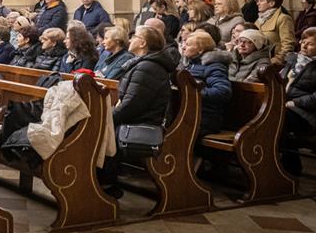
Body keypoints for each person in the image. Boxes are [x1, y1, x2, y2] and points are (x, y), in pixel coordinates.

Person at [99, 26, 175, 197]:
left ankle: (106, 185)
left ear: (143, 43)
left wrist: (107, 118)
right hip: (134, 118)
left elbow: (132, 105)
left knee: (99, 129)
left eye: (134, 37)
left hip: (141, 122)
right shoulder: (143, 64)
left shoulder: (148, 67)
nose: (131, 40)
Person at [179, 30, 232, 138]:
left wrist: (193, 93)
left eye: (188, 44)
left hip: (204, 118)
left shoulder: (214, 66)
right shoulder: (190, 64)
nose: (183, 47)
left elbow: (222, 92)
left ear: (200, 50)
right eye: (184, 43)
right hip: (188, 114)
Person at [282, 27, 316, 174]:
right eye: (303, 41)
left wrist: (295, 103)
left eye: (310, 44)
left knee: (279, 120)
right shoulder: (293, 60)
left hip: (307, 114)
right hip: (284, 106)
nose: (304, 45)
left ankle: (288, 167)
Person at [256, 0, 294, 65]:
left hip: (273, 62)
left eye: (261, 1)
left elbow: (288, 44)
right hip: (258, 60)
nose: (257, 3)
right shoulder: (259, 20)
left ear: (271, 3)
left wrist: (277, 60)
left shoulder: (283, 18)